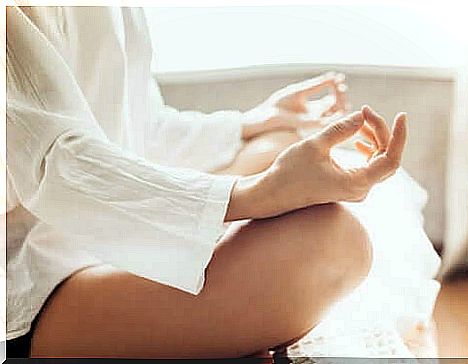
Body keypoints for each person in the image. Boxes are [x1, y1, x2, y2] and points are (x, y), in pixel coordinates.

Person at [6, 6, 407, 359]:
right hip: (34, 281)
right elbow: (55, 163)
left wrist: (255, 121)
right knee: (331, 244)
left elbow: (142, 129)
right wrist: (255, 195)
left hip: (97, 233)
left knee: (282, 143)